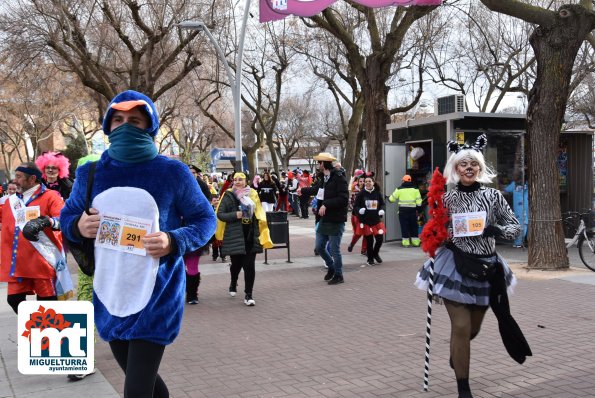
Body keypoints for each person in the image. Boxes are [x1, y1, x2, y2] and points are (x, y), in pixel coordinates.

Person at [60, 90, 216, 398]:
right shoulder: (90, 172)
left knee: (135, 391)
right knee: (147, 385)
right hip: (110, 293)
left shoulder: (172, 171)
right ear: (108, 125)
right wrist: (78, 225)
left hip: (156, 295)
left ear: (149, 125)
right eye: (118, 120)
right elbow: (67, 217)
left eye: (135, 120)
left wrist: (174, 239)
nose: (125, 126)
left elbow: (205, 220)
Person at [414, 135, 524, 398]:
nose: (468, 168)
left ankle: (457, 353)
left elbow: (515, 228)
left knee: (472, 329)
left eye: (473, 163)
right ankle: (464, 387)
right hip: (454, 265)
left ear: (480, 168)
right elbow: (435, 228)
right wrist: (435, 231)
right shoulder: (447, 199)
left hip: (487, 268)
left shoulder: (494, 196)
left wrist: (494, 228)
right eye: (463, 164)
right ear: (455, 168)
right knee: (461, 327)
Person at [0, 162, 72, 313]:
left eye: (19, 177)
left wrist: (47, 221)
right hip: (17, 263)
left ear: (32, 179)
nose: (15, 181)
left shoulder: (51, 196)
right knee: (14, 300)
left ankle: (44, 331)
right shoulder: (10, 201)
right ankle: (36, 326)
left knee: (46, 303)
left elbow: (64, 219)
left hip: (42, 262)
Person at [215, 172, 272, 306]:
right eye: (235, 180)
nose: (237, 182)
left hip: (250, 234)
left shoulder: (252, 193)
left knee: (249, 266)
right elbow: (220, 214)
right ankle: (233, 282)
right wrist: (236, 214)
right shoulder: (228, 195)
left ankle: (248, 294)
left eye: (240, 179)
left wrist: (259, 222)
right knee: (236, 265)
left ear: (246, 181)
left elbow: (259, 211)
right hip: (235, 235)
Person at [300, 153, 349, 285]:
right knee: (320, 247)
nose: (317, 165)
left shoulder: (339, 178)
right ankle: (331, 267)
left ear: (323, 164)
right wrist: (303, 191)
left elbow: (344, 199)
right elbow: (317, 190)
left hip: (336, 219)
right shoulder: (323, 178)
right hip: (324, 219)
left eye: (318, 163)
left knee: (334, 249)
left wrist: (327, 204)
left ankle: (339, 275)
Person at [353, 175, 386, 266]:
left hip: (376, 220)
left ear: (373, 182)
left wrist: (382, 209)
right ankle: (370, 259)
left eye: (369, 181)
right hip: (366, 221)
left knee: (379, 239)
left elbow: (382, 204)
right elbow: (355, 206)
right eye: (366, 181)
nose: (367, 183)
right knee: (369, 241)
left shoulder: (377, 193)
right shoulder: (361, 194)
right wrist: (359, 210)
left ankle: (375, 254)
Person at [388, 174, 422, 247]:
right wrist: (419, 210)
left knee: (404, 226)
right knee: (414, 226)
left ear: (403, 181)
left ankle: (406, 242)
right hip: (412, 211)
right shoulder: (415, 189)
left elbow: (391, 199)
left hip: (403, 211)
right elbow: (419, 201)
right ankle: (415, 242)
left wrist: (389, 198)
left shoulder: (399, 189)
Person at [504, 176, 528, 248]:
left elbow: (506, 190)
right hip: (523, 207)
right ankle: (518, 242)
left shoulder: (515, 184)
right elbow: (507, 190)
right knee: (523, 225)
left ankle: (519, 242)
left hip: (521, 207)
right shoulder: (527, 184)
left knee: (522, 224)